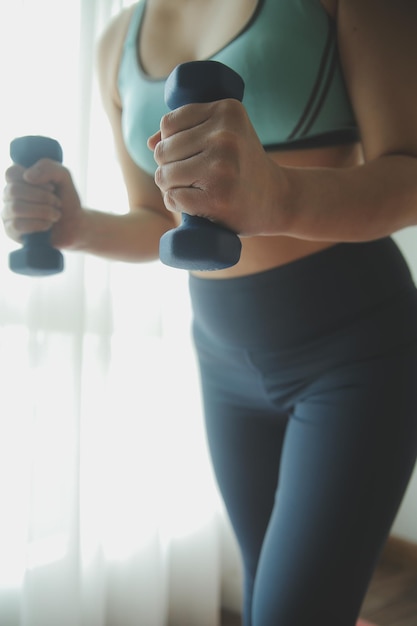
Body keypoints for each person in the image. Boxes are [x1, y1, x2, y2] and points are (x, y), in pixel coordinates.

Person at [3, 1, 417, 624]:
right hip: (223, 358)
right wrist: (79, 227)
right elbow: (160, 222)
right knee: (262, 594)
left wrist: (278, 195)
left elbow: (409, 173)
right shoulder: (117, 40)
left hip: (356, 351)